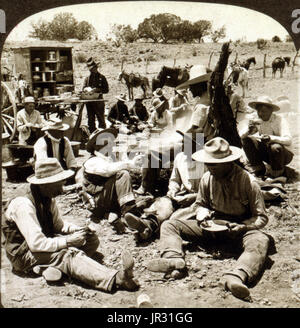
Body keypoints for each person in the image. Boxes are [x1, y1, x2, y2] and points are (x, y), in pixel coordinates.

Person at [147, 137, 270, 300]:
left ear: (228, 163)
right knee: (170, 225)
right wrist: (202, 213)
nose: (208, 167)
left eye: (213, 164)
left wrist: (244, 227)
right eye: (207, 163)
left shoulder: (248, 181)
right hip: (212, 227)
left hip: (238, 231)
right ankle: (174, 260)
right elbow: (199, 204)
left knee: (261, 240)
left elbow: (261, 217)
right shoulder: (207, 178)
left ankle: (236, 277)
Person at [2, 158, 138, 292]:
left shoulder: (48, 197)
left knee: (91, 240)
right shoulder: (23, 204)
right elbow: (36, 244)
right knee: (67, 254)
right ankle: (116, 278)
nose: (63, 186)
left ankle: (51, 267)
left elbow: (59, 226)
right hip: (23, 254)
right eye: (59, 183)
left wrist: (79, 230)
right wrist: (68, 241)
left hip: (40, 244)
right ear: (45, 184)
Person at [124, 130, 204, 241]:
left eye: (187, 143)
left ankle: (150, 230)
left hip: (200, 200)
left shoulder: (206, 163)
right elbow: (175, 179)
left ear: (196, 147)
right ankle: (146, 224)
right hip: (182, 195)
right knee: (164, 203)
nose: (183, 146)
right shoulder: (180, 157)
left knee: (175, 217)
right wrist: (173, 191)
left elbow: (210, 191)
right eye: (183, 142)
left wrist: (194, 196)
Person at [77, 128, 146, 226]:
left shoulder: (108, 158)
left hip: (107, 197)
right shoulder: (92, 161)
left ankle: (124, 211)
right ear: (97, 145)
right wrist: (130, 163)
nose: (112, 145)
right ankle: (129, 211)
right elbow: (108, 170)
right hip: (97, 201)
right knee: (123, 174)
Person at [241, 95, 293, 178]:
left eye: (264, 111)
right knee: (246, 141)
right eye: (258, 111)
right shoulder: (256, 118)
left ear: (271, 111)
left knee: (275, 147)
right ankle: (259, 170)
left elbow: (288, 140)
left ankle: (277, 173)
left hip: (283, 154)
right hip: (268, 152)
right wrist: (249, 130)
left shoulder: (280, 120)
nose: (260, 114)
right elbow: (241, 136)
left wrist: (271, 138)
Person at [178, 65, 215, 142]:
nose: (190, 89)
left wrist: (182, 139)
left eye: (191, 86)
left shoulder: (201, 106)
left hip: (200, 142)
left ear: (199, 86)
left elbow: (196, 129)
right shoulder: (210, 101)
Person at [83, 57, 109, 133]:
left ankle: (102, 137)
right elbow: (83, 88)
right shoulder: (87, 79)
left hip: (99, 102)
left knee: (101, 119)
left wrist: (97, 90)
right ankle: (92, 137)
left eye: (92, 69)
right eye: (90, 69)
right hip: (89, 102)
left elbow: (106, 90)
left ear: (96, 68)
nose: (91, 70)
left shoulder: (102, 78)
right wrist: (86, 89)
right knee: (90, 121)